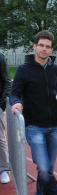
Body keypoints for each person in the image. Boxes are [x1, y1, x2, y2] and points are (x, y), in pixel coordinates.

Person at [10, 30, 57, 195]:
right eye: (41, 45)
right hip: (34, 127)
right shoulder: (23, 69)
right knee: (44, 168)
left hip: (53, 127)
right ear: (35, 46)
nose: (44, 49)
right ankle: (54, 191)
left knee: (47, 168)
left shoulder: (55, 69)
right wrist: (15, 102)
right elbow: (14, 92)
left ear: (51, 49)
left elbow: (54, 94)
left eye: (48, 46)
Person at [0, 52, 10, 184]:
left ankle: (3, 169)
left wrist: (1, 105)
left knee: (0, 139)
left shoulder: (0, 57)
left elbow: (6, 82)